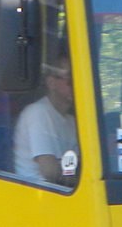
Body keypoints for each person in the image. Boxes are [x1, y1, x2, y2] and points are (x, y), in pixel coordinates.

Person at [13, 55, 78, 185]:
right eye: (70, 80)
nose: (76, 84)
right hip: (36, 195)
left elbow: (77, 166)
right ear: (51, 83)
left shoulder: (72, 121)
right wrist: (70, 173)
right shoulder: (37, 113)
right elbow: (49, 172)